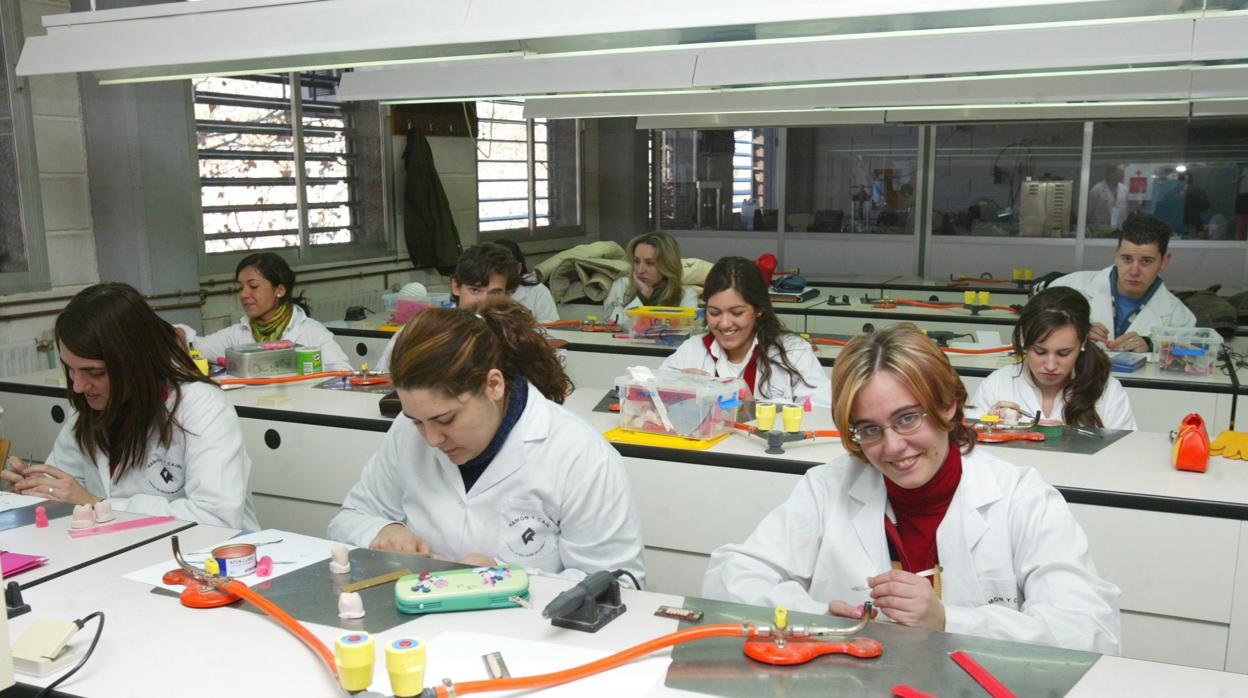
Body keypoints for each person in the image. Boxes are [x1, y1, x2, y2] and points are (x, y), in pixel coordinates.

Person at [702, 324, 1121, 654]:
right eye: (869, 429)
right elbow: (729, 578)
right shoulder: (828, 487)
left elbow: (1088, 632)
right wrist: (816, 615)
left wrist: (948, 622)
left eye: (907, 419)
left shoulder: (1021, 499)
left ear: (948, 404)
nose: (893, 447)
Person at [329, 299, 645, 585]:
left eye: (446, 419)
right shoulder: (407, 432)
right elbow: (349, 519)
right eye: (417, 421)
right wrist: (382, 531)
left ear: (494, 384)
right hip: (423, 624)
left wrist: (508, 578)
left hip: (534, 637)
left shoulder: (579, 455)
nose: (432, 439)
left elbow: (619, 585)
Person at [1, 283, 259, 529]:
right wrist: (38, 489)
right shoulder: (88, 407)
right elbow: (68, 483)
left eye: (95, 372)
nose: (79, 386)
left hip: (204, 560)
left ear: (134, 362)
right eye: (71, 369)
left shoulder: (201, 407)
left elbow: (216, 518)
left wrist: (97, 505)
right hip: (120, 553)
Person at [660, 256, 830, 407]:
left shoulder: (794, 352)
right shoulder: (692, 351)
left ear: (758, 309)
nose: (725, 324)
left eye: (737, 313)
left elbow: (821, 411)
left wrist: (753, 408)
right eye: (714, 312)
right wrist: (679, 387)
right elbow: (650, 398)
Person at [968, 287, 1136, 430]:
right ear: (1024, 341)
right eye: (1040, 351)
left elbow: (1124, 456)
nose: (1050, 365)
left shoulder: (1108, 392)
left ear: (1083, 342)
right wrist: (988, 426)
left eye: (1063, 353)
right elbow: (973, 455)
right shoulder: (997, 385)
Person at [181, 252, 352, 371]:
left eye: (253, 286)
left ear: (279, 290)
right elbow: (196, 347)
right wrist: (176, 333)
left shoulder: (311, 333)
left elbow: (343, 374)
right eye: (240, 288)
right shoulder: (237, 335)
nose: (244, 294)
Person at [1051, 213, 1195, 352]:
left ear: (1164, 261)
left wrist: (1153, 346)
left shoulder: (1179, 318)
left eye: (1146, 261)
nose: (1134, 271)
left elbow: (1191, 358)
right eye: (1127, 259)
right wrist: (1073, 332)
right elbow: (1032, 332)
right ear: (1117, 255)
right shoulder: (1068, 287)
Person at [377, 243, 521, 372]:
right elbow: (385, 381)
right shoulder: (420, 331)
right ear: (455, 286)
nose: (484, 301)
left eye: (495, 293)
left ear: (508, 294)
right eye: (475, 290)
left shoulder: (514, 338)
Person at [603, 232, 698, 323]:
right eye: (636, 261)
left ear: (667, 265)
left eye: (650, 263)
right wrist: (643, 296)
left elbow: (686, 331)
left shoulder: (686, 295)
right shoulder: (621, 286)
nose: (640, 270)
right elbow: (616, 326)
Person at [495, 238, 560, 324]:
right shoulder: (482, 291)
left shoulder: (537, 291)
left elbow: (551, 326)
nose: (500, 274)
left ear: (518, 268)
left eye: (505, 268)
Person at [1086, 164, 1128, 233]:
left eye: (1122, 173)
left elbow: (1126, 210)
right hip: (1100, 230)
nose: (1122, 175)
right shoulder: (1097, 189)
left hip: (1120, 229)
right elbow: (1088, 212)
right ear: (1111, 174)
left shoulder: (1124, 189)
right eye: (1120, 172)